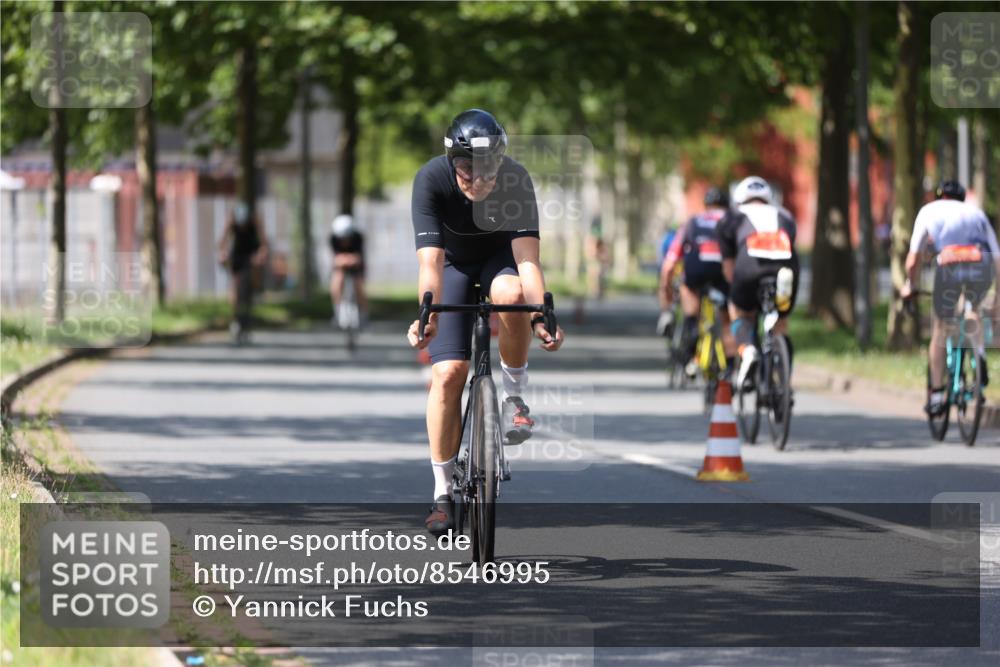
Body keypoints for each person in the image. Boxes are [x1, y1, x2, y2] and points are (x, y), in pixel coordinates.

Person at [405, 109, 565, 536]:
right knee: (448, 373)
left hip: (500, 261)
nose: (477, 180)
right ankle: (442, 493)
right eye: (465, 169)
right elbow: (432, 262)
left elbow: (528, 261)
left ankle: (514, 397)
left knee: (512, 297)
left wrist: (540, 317)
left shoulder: (516, 179)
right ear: (450, 161)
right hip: (452, 266)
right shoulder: (431, 180)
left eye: (487, 169)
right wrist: (428, 313)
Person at [900, 180, 1000, 415]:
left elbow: (913, 259)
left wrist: (910, 285)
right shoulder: (976, 213)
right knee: (973, 309)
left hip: (950, 267)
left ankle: (936, 394)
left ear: (940, 196)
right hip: (980, 264)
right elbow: (996, 256)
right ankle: (980, 355)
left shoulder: (929, 210)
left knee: (941, 327)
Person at [717, 176, 799, 389]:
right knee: (781, 322)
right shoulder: (785, 215)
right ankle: (783, 382)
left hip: (748, 265)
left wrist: (739, 295)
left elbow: (728, 270)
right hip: (787, 267)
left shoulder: (731, 217)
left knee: (738, 309)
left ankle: (747, 348)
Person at [657, 187, 734, 373]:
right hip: (724, 271)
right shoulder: (734, 221)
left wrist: (665, 291)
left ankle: (690, 350)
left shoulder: (692, 222)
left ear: (706, 206)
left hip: (696, 269)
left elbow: (669, 263)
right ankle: (732, 368)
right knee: (727, 321)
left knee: (690, 301)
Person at [217, 202, 268, 342]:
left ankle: (253, 297)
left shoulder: (255, 220)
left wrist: (262, 254)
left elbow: (264, 243)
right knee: (235, 284)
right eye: (241, 225)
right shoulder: (231, 221)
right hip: (237, 254)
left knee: (251, 279)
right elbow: (222, 242)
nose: (243, 227)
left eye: (244, 224)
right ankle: (235, 319)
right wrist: (222, 254)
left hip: (251, 252)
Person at [328, 213, 368, 326]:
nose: (344, 240)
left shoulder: (358, 237)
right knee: (337, 280)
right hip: (341, 265)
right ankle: (337, 311)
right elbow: (335, 258)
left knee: (359, 285)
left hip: (356, 265)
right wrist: (344, 260)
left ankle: (364, 313)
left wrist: (350, 259)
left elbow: (359, 257)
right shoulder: (333, 238)